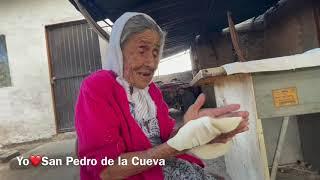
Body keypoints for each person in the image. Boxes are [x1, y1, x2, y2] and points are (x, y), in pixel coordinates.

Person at [75, 12, 249, 180]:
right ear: (119, 51)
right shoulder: (98, 87)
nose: (151, 63)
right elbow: (107, 170)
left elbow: (167, 140)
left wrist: (195, 130)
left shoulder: (151, 91)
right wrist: (174, 147)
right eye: (142, 50)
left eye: (156, 53)